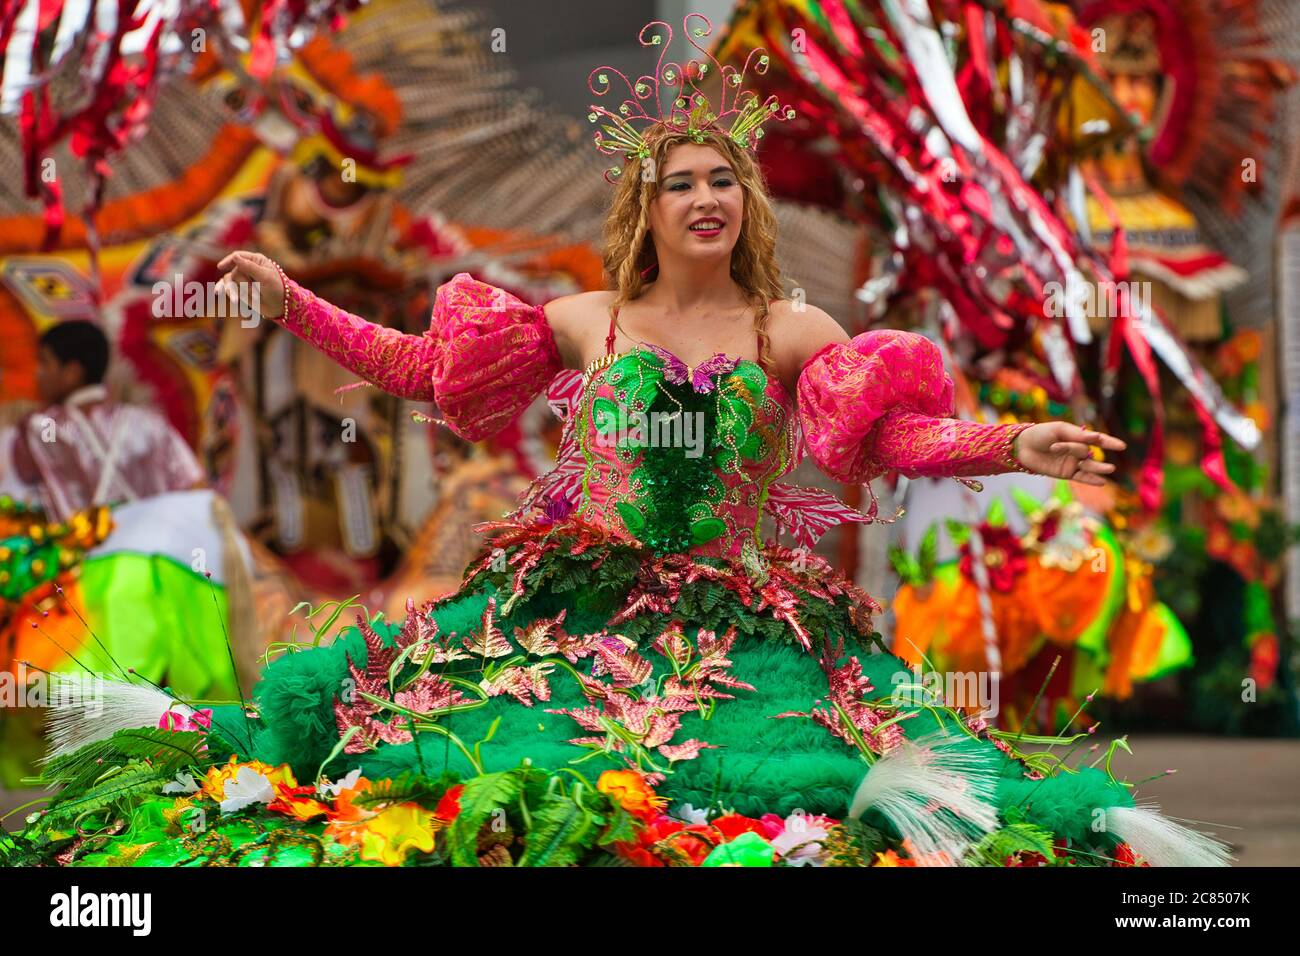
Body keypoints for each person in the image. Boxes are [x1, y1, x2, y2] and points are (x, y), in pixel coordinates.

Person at [19, 15, 1226, 867]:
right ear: (645, 208)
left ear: (745, 205)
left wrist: (1015, 442)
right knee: (438, 740)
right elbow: (415, 369)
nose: (706, 198)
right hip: (569, 602)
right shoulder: (585, 318)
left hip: (736, 617)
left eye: (724, 181)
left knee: (781, 778)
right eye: (682, 182)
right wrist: (293, 305)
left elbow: (898, 436)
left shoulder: (789, 324)